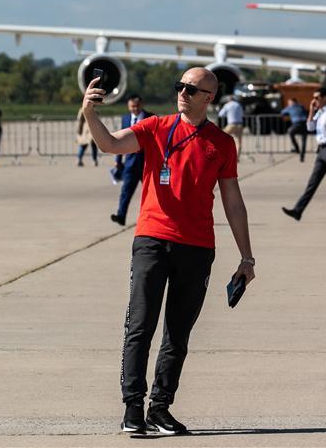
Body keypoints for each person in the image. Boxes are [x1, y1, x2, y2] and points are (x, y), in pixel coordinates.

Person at [82, 67, 255, 435]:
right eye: (180, 87)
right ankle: (133, 408)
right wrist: (89, 114)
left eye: (192, 90)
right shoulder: (155, 128)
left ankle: (160, 408)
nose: (183, 93)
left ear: (210, 97)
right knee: (140, 325)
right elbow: (110, 144)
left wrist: (247, 258)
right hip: (152, 240)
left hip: (196, 247)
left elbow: (233, 203)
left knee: (178, 334)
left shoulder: (221, 144)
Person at [281, 87, 326, 222]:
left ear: (325, 98)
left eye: (317, 98)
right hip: (321, 151)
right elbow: (310, 127)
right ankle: (297, 211)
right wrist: (312, 110)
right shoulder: (320, 112)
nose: (314, 100)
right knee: (312, 183)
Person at [110, 95, 153, 225]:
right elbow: (120, 140)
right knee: (126, 191)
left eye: (137, 106)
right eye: (132, 106)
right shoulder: (126, 119)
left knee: (152, 191)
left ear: (141, 105)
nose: (134, 108)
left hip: (147, 163)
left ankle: (153, 217)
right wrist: (118, 159)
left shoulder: (151, 118)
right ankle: (121, 216)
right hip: (130, 163)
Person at [218, 95, 244, 161]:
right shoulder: (238, 104)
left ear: (228, 100)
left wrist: (228, 114)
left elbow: (221, 114)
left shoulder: (227, 105)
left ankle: (221, 155)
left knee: (219, 138)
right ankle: (237, 158)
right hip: (239, 124)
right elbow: (242, 114)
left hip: (231, 124)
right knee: (239, 142)